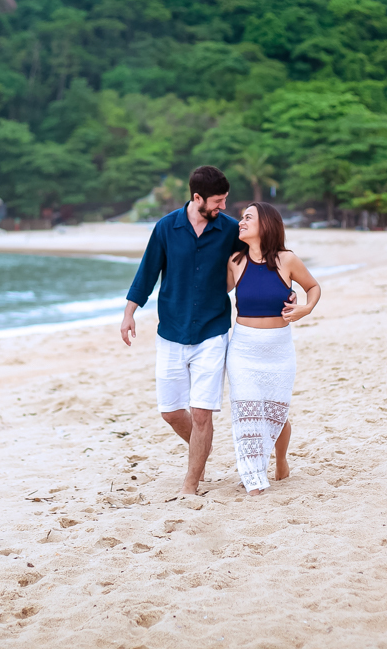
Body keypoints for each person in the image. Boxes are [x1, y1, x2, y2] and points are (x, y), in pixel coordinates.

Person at [121, 166, 247, 495]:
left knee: (202, 414)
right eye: (217, 201)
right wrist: (129, 313)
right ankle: (201, 449)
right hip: (171, 331)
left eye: (225, 200)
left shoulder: (230, 229)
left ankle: (190, 485)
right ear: (197, 197)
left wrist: (283, 288)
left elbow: (259, 259)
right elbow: (147, 272)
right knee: (171, 412)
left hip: (212, 330)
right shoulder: (166, 227)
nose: (223, 206)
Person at [226, 202, 320, 495]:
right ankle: (253, 478)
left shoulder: (286, 260)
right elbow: (213, 293)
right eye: (241, 218)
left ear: (265, 224)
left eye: (248, 218)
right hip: (243, 350)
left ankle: (280, 460)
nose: (241, 222)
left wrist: (305, 309)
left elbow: (313, 287)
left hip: (279, 350)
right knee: (247, 414)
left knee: (275, 413)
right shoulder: (235, 262)